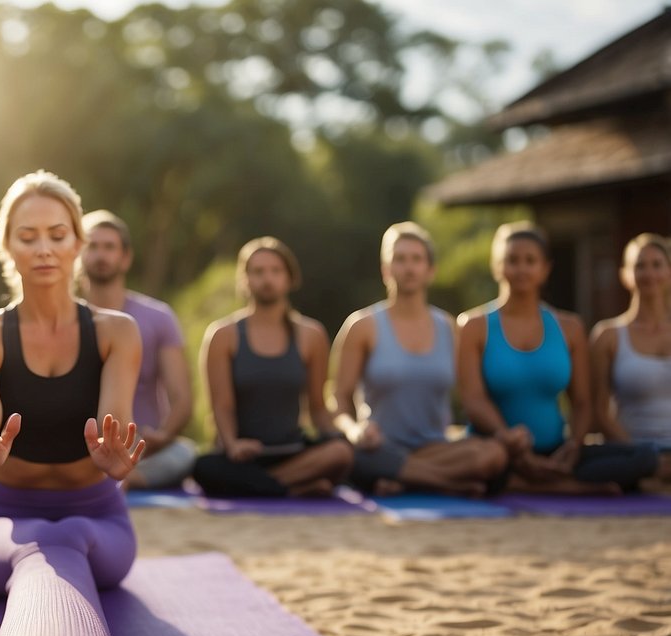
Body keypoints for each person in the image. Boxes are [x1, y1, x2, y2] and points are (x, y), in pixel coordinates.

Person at [0, 170, 144, 598]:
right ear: (6, 246)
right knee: (40, 536)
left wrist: (115, 463)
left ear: (78, 243)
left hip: (98, 516)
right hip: (1, 518)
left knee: (70, 533)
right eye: (28, 237)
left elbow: (116, 432)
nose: (44, 250)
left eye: (57, 236)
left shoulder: (118, 333)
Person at [457, 222, 658, 493]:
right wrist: (508, 440)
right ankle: (565, 486)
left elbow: (583, 402)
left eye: (530, 261)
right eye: (512, 260)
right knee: (480, 462)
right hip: (498, 448)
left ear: (545, 269)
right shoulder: (474, 326)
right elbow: (473, 400)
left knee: (643, 457)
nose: (521, 269)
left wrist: (573, 445)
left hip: (556, 451)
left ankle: (541, 480)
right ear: (497, 267)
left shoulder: (570, 327)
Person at [331, 222, 508, 495]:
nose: (409, 267)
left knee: (493, 454)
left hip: (436, 449)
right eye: (399, 259)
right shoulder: (362, 326)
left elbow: (472, 395)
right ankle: (450, 485)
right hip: (380, 448)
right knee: (352, 456)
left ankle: (404, 480)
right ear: (386, 269)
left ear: (430, 270)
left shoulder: (449, 327)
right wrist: (355, 431)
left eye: (417, 259)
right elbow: (339, 399)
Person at [192, 237, 352, 497]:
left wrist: (341, 436)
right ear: (244, 280)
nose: (267, 279)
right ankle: (294, 487)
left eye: (276, 271)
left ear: (289, 278)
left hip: (292, 452)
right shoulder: (223, 335)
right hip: (242, 456)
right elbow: (221, 405)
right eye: (258, 272)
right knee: (203, 468)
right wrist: (232, 444)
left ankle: (267, 486)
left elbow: (318, 408)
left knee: (341, 453)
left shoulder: (311, 335)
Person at [79, 209, 196, 490]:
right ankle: (102, 478)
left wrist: (164, 436)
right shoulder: (62, 318)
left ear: (126, 257)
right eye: (92, 246)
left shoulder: (158, 317)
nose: (101, 255)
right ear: (78, 255)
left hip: (142, 451)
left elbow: (181, 397)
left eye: (109, 247)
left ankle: (125, 479)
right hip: (80, 448)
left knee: (186, 454)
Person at [589, 233, 671, 483]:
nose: (649, 274)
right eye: (639, 266)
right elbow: (599, 411)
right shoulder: (607, 336)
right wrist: (640, 452)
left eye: (657, 265)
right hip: (632, 451)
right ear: (625, 274)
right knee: (591, 467)